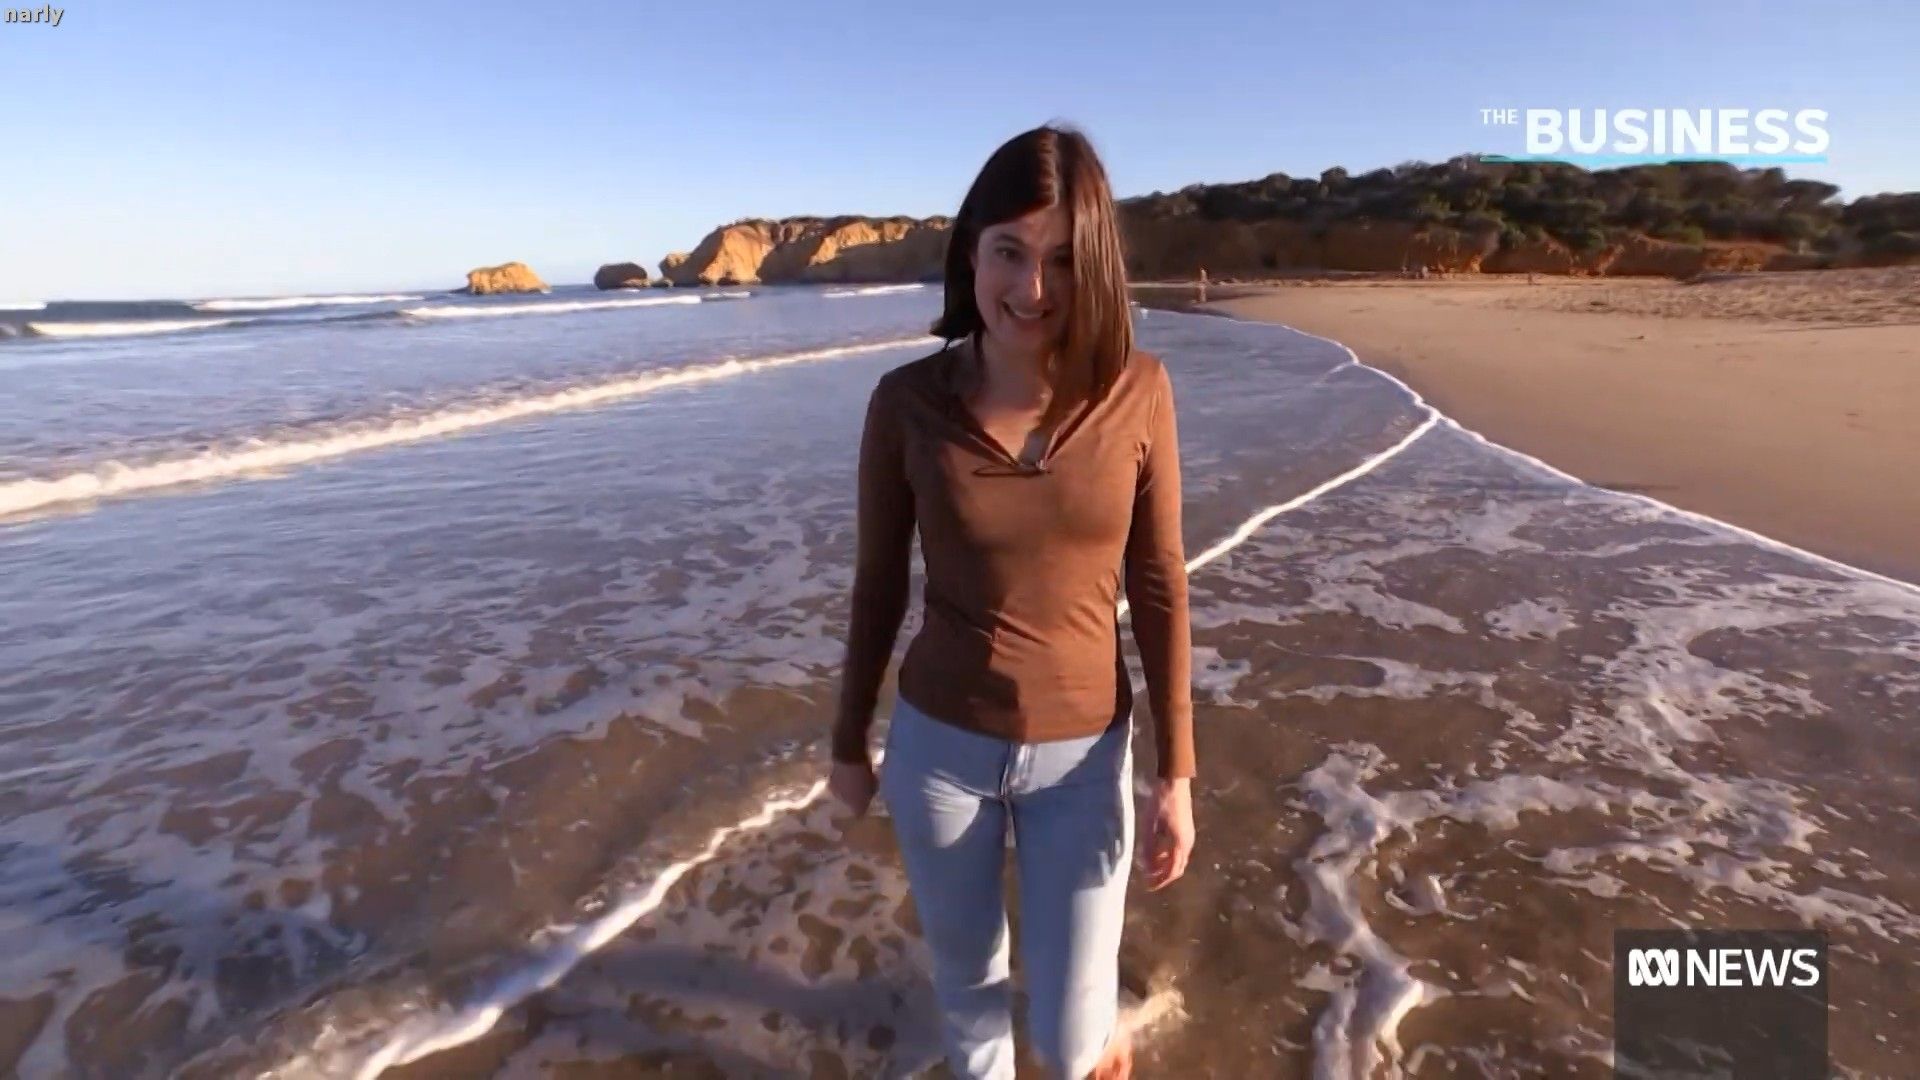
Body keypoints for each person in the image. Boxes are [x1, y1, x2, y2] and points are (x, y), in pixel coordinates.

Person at [828, 124, 1197, 1080]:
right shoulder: (906, 403)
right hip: (939, 755)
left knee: (1072, 1039)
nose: (1033, 289)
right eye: (1009, 252)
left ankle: (1099, 1039)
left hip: (1085, 759)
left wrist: (1177, 775)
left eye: (1063, 260)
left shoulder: (1139, 392)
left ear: (1097, 267)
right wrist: (848, 742)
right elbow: (879, 584)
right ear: (971, 253)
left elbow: (1159, 582)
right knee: (969, 995)